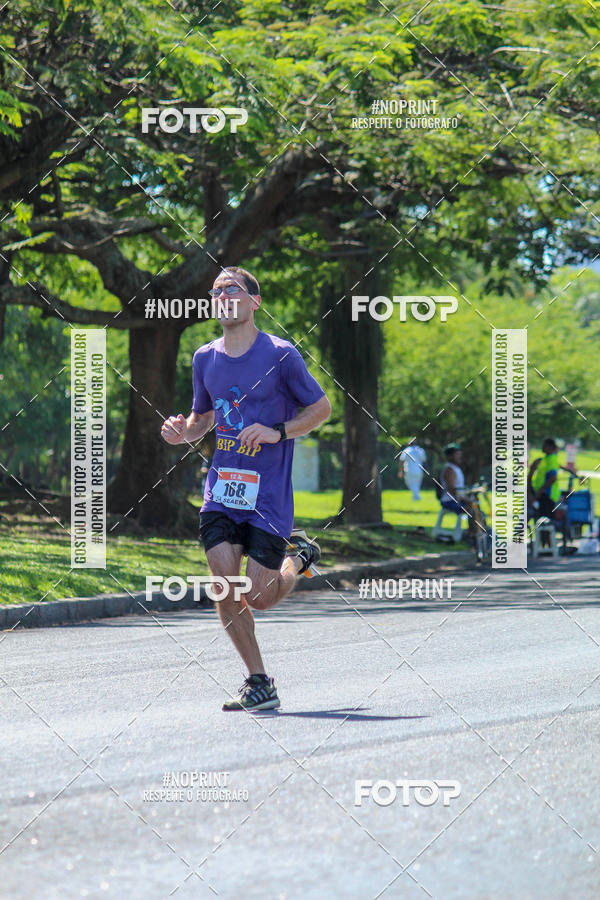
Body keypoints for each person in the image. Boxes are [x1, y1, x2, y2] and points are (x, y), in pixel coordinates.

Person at [161, 266, 331, 712]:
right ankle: (258, 681)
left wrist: (278, 431)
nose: (222, 295)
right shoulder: (204, 358)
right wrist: (181, 432)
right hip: (222, 488)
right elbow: (204, 418)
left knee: (258, 596)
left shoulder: (281, 354)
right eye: (215, 290)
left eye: (231, 288)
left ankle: (298, 559)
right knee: (222, 583)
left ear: (254, 301)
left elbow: (321, 408)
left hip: (268, 494)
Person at [439, 443, 476, 538]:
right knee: (472, 507)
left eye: (460, 454)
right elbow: (452, 491)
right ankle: (472, 534)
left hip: (456, 499)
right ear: (450, 456)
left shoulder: (456, 469)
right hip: (449, 501)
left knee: (476, 506)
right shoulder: (449, 470)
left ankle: (475, 533)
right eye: (457, 455)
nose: (460, 457)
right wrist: (467, 500)